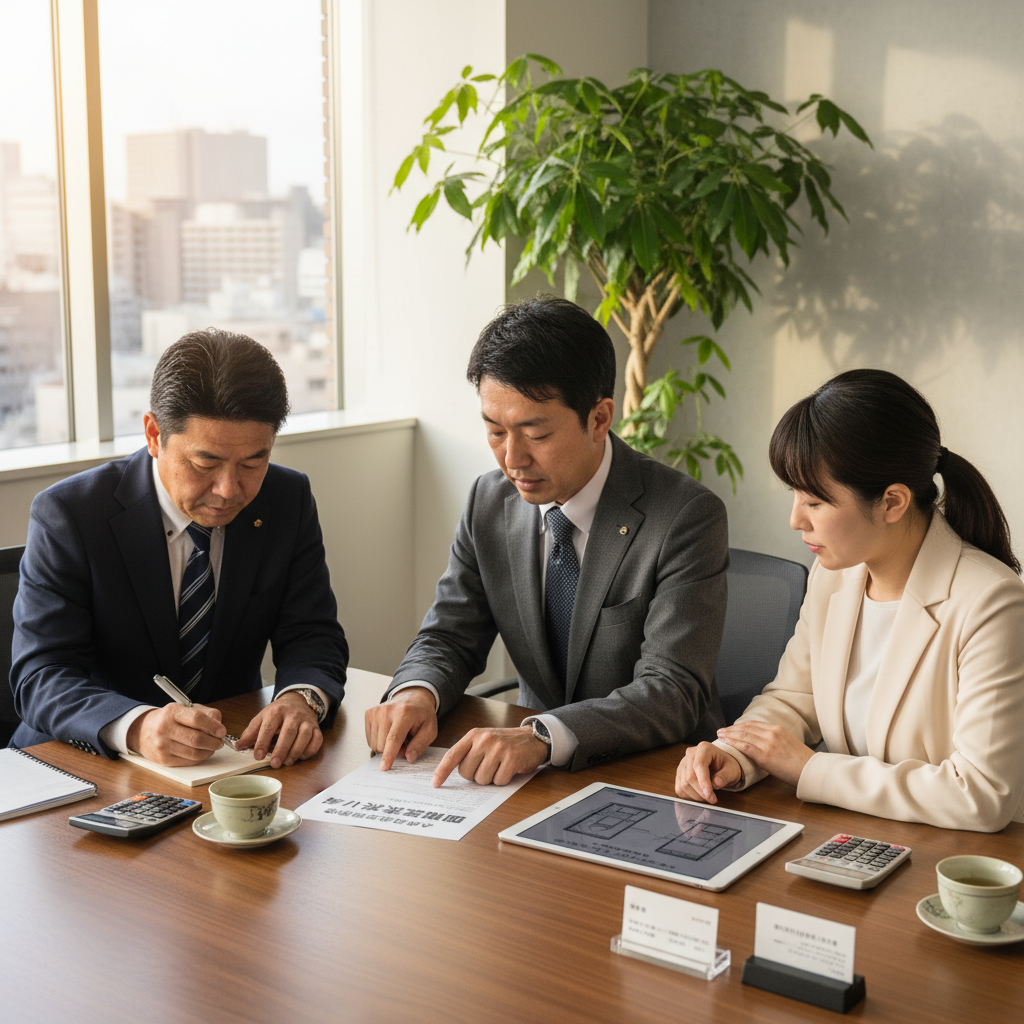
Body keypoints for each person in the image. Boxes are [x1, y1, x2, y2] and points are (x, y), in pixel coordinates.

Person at [365, 296, 729, 786]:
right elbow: (451, 634)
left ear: (599, 419)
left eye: (535, 434)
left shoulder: (683, 515)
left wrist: (543, 735)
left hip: (655, 774)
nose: (511, 459)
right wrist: (416, 692)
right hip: (527, 776)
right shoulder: (488, 501)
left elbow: (671, 690)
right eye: (495, 431)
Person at [675, 368, 1024, 832]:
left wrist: (808, 769)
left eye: (815, 502)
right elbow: (796, 699)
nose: (796, 519)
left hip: (946, 861)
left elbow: (981, 793)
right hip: (852, 838)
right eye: (794, 493)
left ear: (892, 502)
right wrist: (736, 753)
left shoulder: (992, 604)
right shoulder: (834, 576)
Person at [11, 328, 348, 769]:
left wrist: (301, 699)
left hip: (223, 762)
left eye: (252, 462)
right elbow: (40, 677)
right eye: (204, 462)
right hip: (78, 764)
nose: (229, 490)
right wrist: (137, 726)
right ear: (154, 434)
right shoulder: (70, 514)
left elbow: (312, 634)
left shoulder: (287, 499)